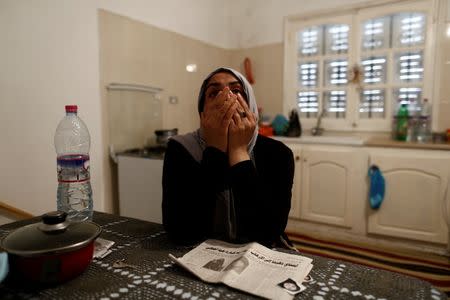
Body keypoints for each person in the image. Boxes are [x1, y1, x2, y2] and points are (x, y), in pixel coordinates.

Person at [162, 67, 295, 248]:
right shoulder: (180, 149)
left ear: (251, 110)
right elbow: (182, 232)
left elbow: (266, 234)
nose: (226, 98)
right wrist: (215, 148)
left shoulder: (278, 153)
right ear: (202, 115)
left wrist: (239, 151)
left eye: (236, 91)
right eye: (214, 93)